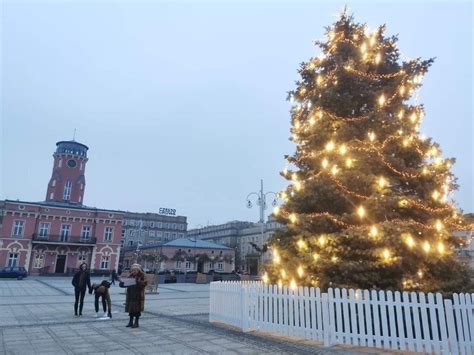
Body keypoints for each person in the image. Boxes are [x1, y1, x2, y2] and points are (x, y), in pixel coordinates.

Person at [119, 263, 147, 328]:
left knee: (137, 310)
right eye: (133, 270)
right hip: (131, 295)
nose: (134, 271)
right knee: (131, 310)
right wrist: (122, 283)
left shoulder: (142, 275)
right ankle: (130, 322)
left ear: (138, 270)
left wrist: (137, 281)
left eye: (135, 270)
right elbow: (125, 284)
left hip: (138, 295)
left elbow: (144, 283)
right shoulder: (130, 275)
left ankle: (136, 323)